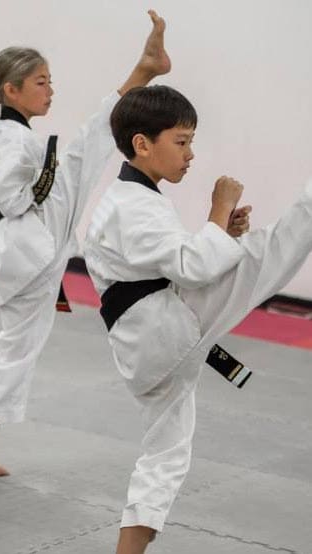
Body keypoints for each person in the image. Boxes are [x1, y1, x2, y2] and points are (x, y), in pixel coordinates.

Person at [84, 82, 312, 553]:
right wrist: (218, 209)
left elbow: (178, 258)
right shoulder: (133, 205)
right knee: (267, 250)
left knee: (164, 456)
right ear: (142, 144)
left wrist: (219, 231)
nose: (190, 154)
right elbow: (194, 267)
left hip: (148, 345)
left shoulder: (130, 200)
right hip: (164, 327)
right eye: (181, 142)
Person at [0, 11, 172, 482]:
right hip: (27, 243)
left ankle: (144, 70)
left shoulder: (0, 132)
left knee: (86, 148)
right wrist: (49, 170)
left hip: (17, 248)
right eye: (40, 82)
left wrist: (50, 168)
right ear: (11, 91)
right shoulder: (13, 137)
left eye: (49, 81)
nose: (49, 90)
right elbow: (15, 199)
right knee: (80, 153)